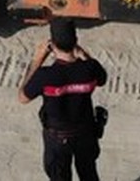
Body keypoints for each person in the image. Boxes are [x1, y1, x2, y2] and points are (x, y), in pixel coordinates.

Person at [18, 19, 108, 181]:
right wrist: (82, 54)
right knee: (89, 173)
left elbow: (22, 97)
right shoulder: (90, 68)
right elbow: (102, 79)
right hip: (85, 133)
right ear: (76, 42)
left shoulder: (45, 76)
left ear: (51, 46)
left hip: (57, 139)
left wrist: (37, 60)